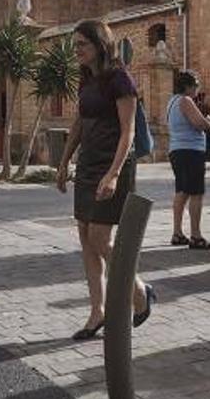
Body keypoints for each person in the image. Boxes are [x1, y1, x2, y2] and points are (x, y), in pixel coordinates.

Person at [56, 19, 153, 340]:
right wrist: (64, 160)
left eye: (82, 44)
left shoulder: (120, 79)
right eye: (75, 45)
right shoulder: (86, 81)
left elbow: (129, 132)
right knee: (85, 239)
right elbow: (79, 124)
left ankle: (139, 292)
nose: (77, 51)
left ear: (100, 44)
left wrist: (112, 174)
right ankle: (97, 311)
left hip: (113, 167)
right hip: (86, 166)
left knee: (100, 239)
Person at [166, 69, 210, 250]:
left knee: (182, 191)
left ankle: (177, 233)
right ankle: (196, 235)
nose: (197, 89)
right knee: (196, 193)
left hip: (177, 150)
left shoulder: (171, 102)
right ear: (187, 86)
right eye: (195, 86)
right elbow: (200, 124)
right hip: (191, 150)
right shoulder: (185, 101)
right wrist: (207, 120)